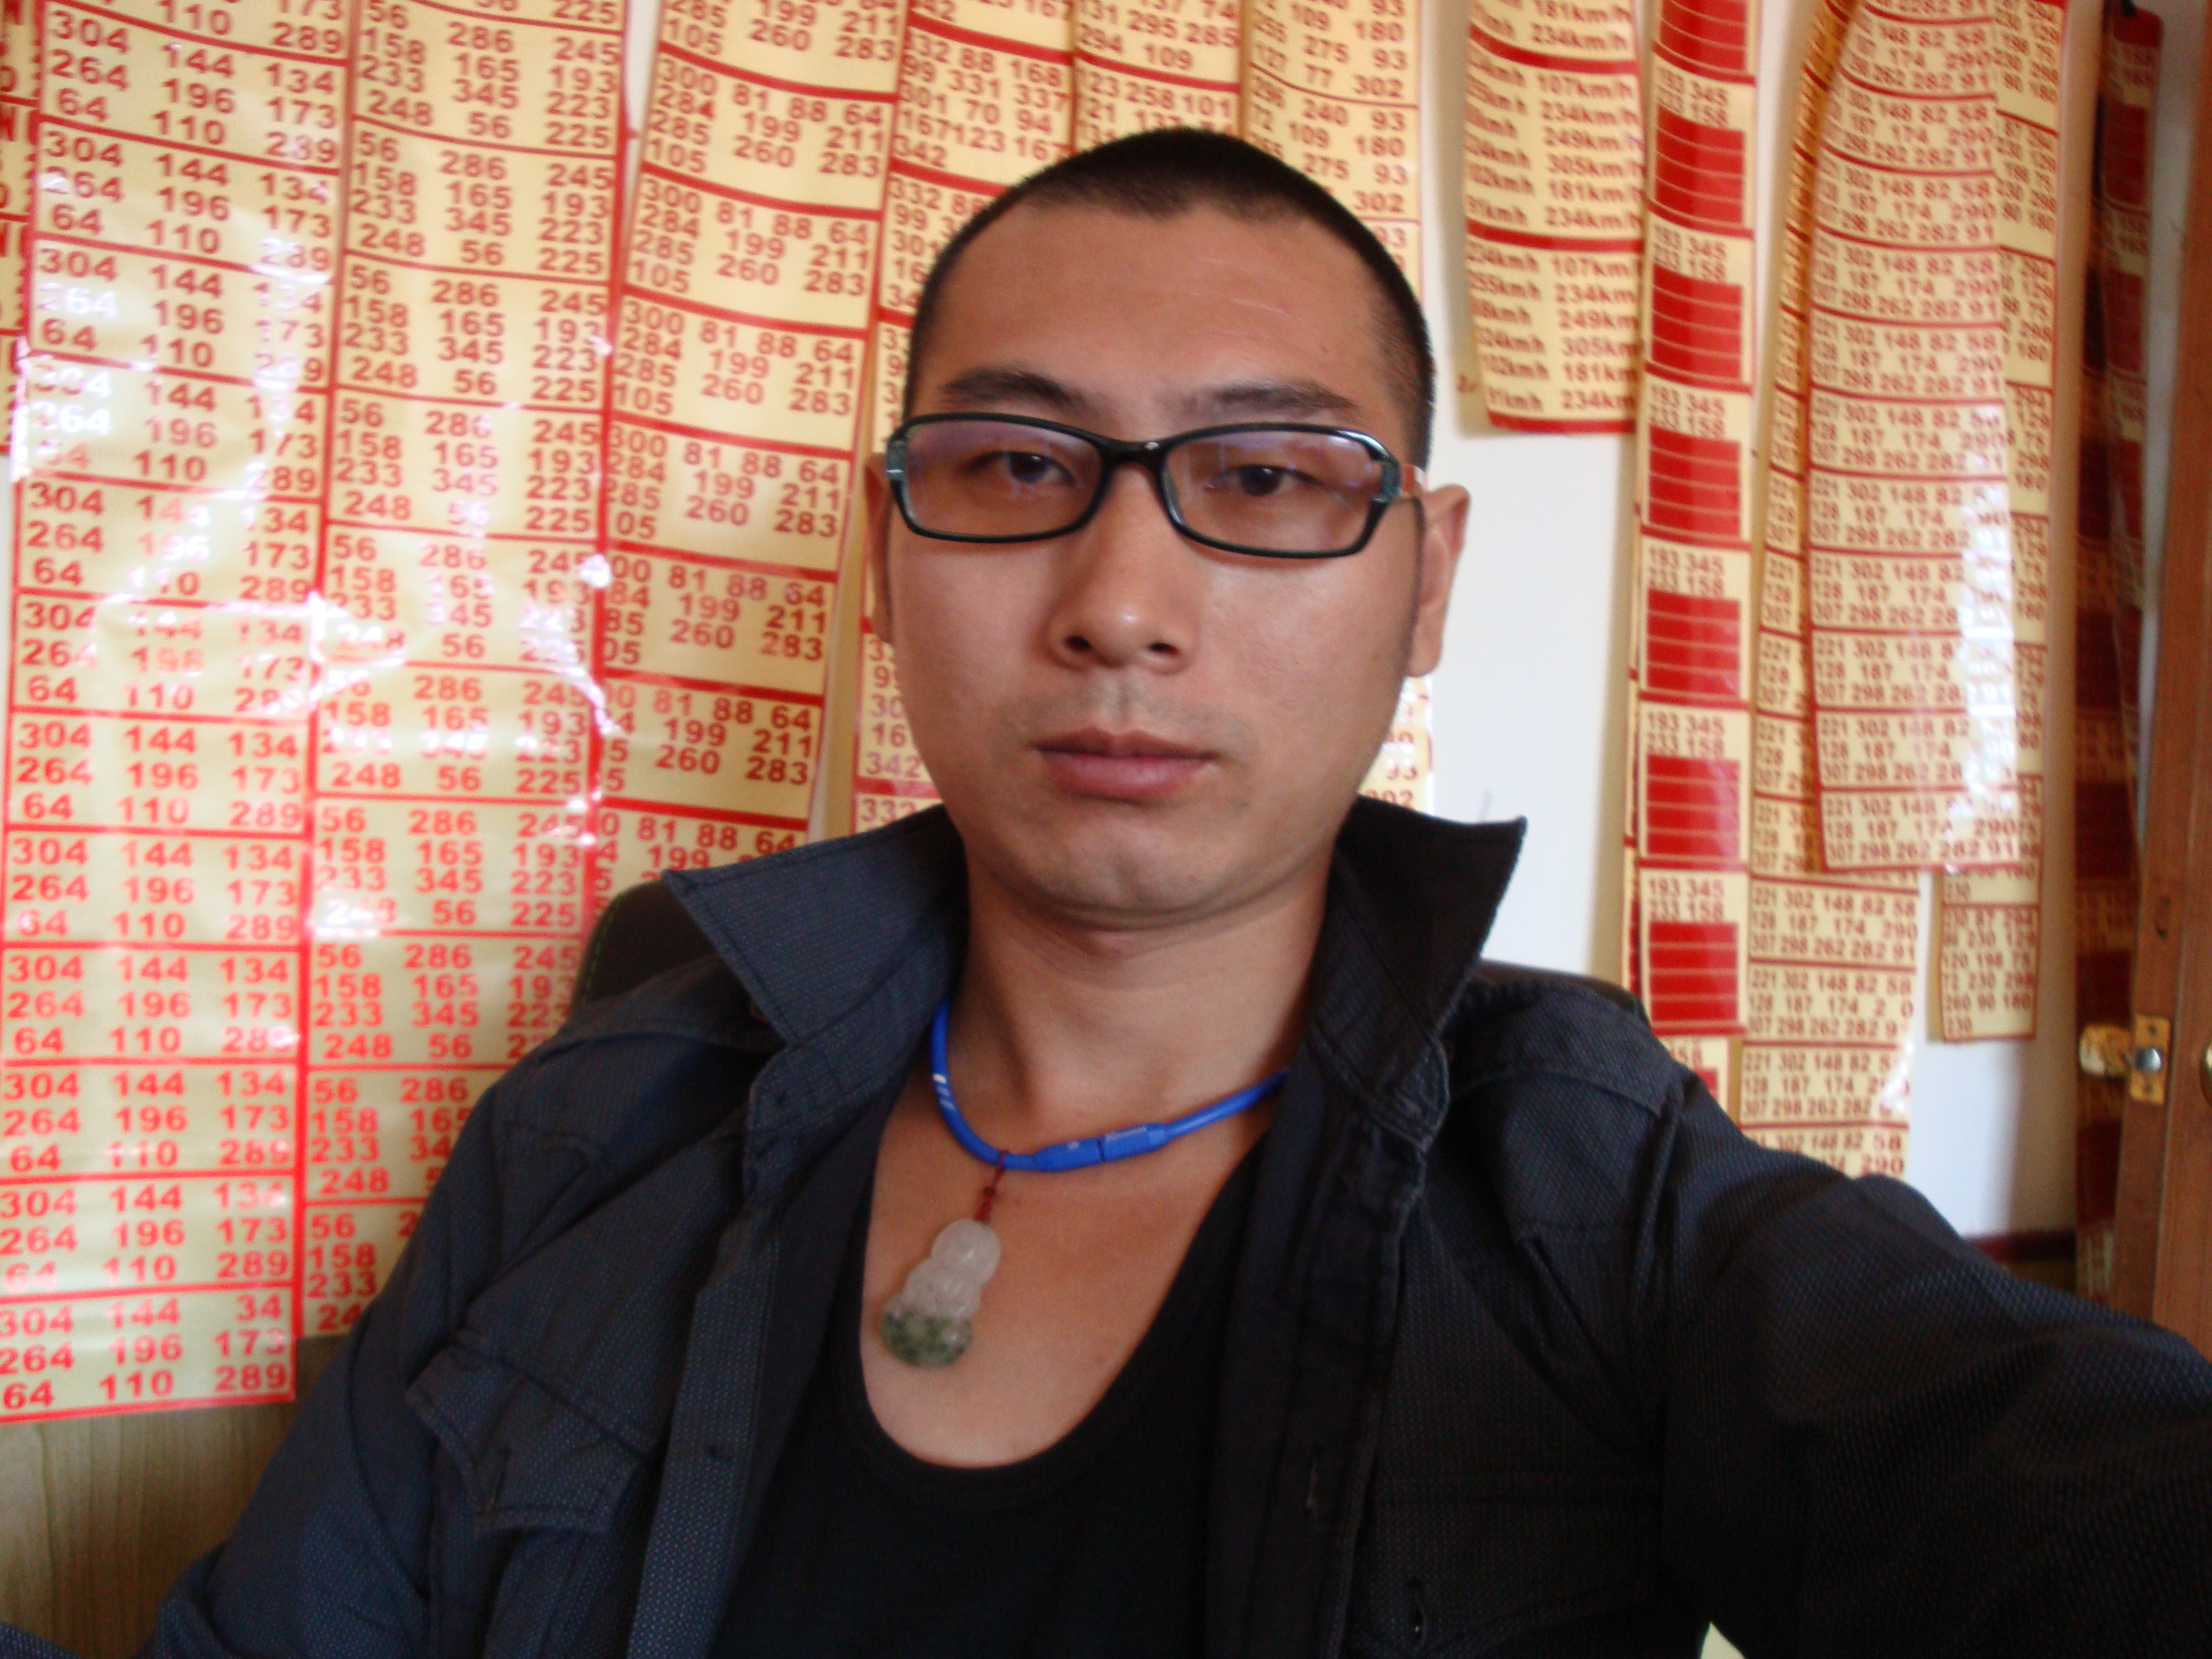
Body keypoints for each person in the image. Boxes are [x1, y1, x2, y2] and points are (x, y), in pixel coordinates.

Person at [144, 128, 2211, 1659]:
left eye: (1270, 479)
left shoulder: (1595, 1195)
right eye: (1014, 467)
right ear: (889, 554)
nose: (1121, 604)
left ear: (1428, 582)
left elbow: (2064, 1496)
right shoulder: (601, 1125)